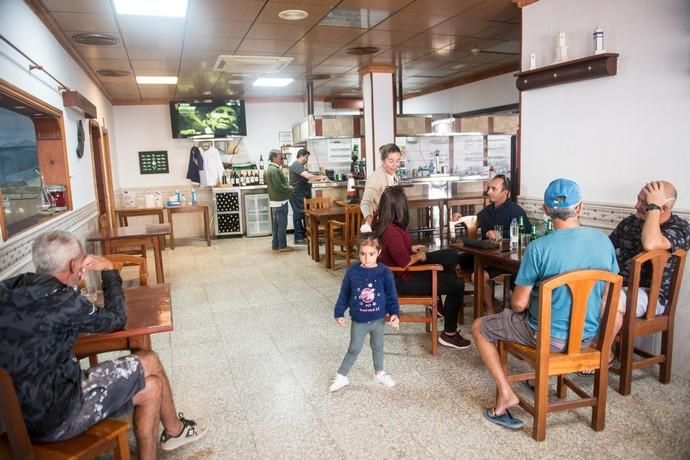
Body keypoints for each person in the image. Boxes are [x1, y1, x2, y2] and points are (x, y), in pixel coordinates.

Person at [0, 231, 206, 459]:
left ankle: (172, 433)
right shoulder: (63, 300)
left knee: (152, 385)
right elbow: (116, 319)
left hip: (16, 417)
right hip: (57, 415)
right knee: (149, 361)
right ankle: (175, 430)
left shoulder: (11, 289)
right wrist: (108, 269)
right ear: (73, 265)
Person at [471, 178, 618, 430]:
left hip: (546, 337)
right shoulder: (604, 242)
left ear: (546, 211)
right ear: (580, 207)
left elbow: (518, 304)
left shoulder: (539, 248)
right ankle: (535, 378)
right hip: (587, 337)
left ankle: (506, 393)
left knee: (480, 327)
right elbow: (606, 297)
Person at [373, 186, 472, 349]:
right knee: (456, 284)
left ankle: (439, 302)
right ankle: (450, 334)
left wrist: (411, 249)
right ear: (399, 207)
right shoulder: (391, 231)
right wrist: (419, 256)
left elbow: (394, 252)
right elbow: (404, 263)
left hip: (401, 275)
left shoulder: (387, 226)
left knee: (451, 256)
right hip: (400, 280)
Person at [607, 180, 690, 355]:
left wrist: (654, 207)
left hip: (653, 297)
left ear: (663, 208)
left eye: (643, 204)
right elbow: (606, 247)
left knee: (610, 298)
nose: (636, 206)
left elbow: (650, 243)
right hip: (620, 285)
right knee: (586, 290)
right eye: (638, 200)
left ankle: (604, 354)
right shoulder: (631, 222)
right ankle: (582, 349)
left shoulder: (680, 228)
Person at [329, 233, 400, 392]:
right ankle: (342, 376)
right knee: (354, 348)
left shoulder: (385, 273)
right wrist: (339, 312)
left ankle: (379, 373)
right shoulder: (353, 272)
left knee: (378, 346)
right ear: (358, 252)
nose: (366, 258)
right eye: (362, 254)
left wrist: (394, 313)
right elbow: (345, 294)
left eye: (371, 254)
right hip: (359, 320)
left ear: (379, 252)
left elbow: (391, 295)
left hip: (378, 320)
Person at [460, 174, 532, 314]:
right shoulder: (488, 211)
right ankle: (487, 307)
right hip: (487, 256)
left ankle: (491, 310)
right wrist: (460, 218)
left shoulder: (515, 211)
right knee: (453, 261)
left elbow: (526, 233)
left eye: (494, 189)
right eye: (489, 188)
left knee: (478, 276)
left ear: (506, 192)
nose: (489, 192)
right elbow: (474, 222)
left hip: (506, 259)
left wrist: (500, 235)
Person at [360, 143, 401, 232]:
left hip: (392, 222)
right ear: (383, 160)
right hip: (382, 224)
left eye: (397, 161)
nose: (395, 165)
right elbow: (365, 203)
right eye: (391, 161)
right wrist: (370, 222)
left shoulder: (394, 175)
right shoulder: (376, 178)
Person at [289, 148, 326, 245]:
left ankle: (306, 235)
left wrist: (319, 177)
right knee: (298, 214)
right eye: (306, 157)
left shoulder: (301, 166)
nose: (307, 159)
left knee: (304, 214)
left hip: (302, 193)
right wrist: (321, 177)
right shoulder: (296, 165)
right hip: (296, 194)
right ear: (301, 156)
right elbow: (308, 176)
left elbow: (308, 178)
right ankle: (299, 238)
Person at [265, 149, 293, 252]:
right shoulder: (274, 170)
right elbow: (278, 186)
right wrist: (289, 188)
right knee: (282, 225)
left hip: (275, 201)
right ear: (274, 158)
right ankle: (282, 246)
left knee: (276, 225)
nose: (282, 159)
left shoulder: (271, 169)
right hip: (280, 201)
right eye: (280, 157)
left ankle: (275, 245)